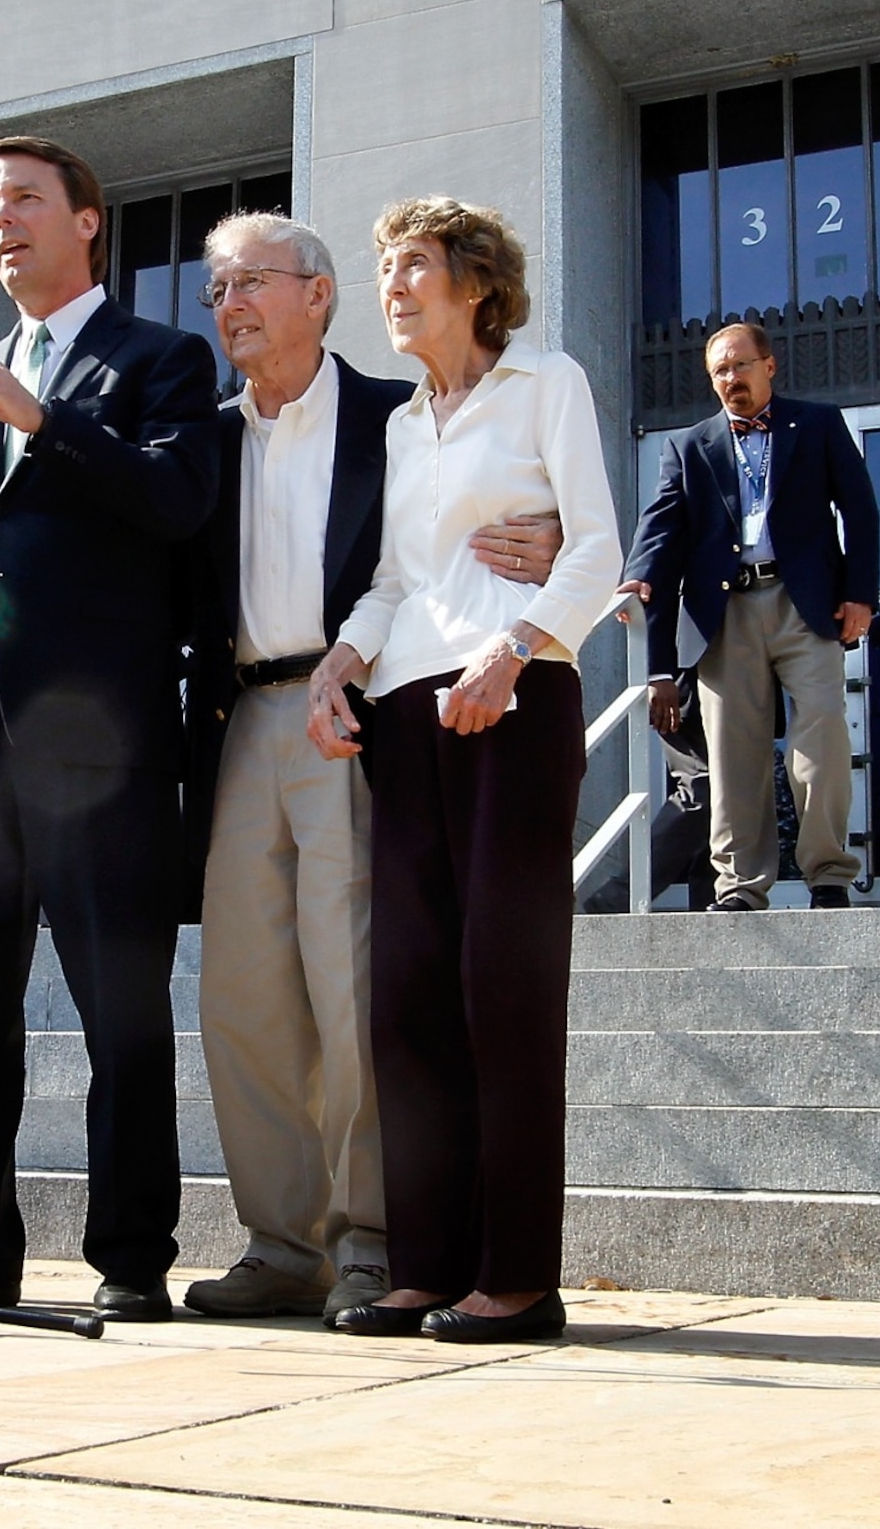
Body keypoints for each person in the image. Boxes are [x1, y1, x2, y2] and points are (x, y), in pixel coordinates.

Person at [177, 210, 565, 1322]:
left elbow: (493, 528)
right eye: (215, 290)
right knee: (242, 996)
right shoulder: (205, 436)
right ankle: (280, 1237)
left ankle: (374, 1235)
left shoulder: (395, 414)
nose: (229, 306)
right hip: (246, 714)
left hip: (359, 711)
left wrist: (540, 541)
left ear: (318, 292)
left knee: (358, 989)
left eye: (250, 280)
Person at [0, 136, 218, 1321]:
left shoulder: (162, 358)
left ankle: (132, 1253)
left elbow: (177, 500)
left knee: (117, 1000)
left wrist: (44, 419)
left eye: (25, 198)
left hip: (99, 738)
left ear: (88, 221)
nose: (1, 220)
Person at [307, 197, 620, 1346]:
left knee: (506, 987)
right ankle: (426, 1262)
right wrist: (341, 657)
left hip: (517, 701)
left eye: (415, 267)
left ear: (476, 282)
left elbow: (595, 546)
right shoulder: (402, 426)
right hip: (406, 712)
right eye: (384, 267)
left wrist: (513, 648)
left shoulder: (548, 386)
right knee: (410, 997)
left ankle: (520, 1277)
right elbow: (398, 580)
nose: (392, 285)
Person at [620, 321, 878, 912]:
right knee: (734, 755)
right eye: (720, 371)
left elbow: (860, 510)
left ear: (769, 366)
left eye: (740, 366)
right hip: (723, 612)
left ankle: (828, 875)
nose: (730, 379)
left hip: (805, 604)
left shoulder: (816, 425)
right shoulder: (689, 446)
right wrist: (641, 581)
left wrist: (860, 593)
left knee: (821, 737)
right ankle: (741, 886)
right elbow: (660, 532)